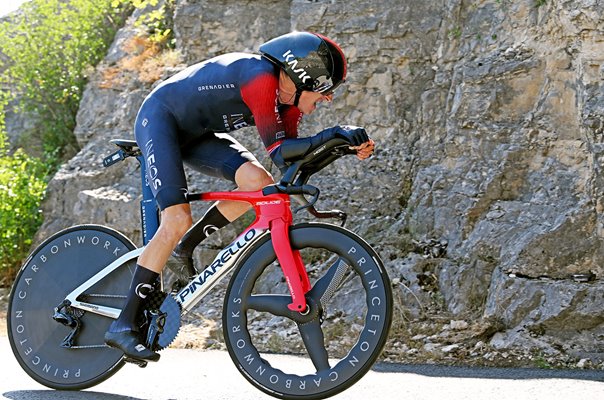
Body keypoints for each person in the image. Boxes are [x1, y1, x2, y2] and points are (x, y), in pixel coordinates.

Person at [104, 31, 375, 361]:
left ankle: (184, 248)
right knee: (176, 217)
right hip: (161, 119)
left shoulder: (288, 104)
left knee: (257, 182)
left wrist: (341, 147)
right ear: (304, 77)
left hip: (198, 134)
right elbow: (284, 149)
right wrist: (333, 134)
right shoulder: (260, 78)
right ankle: (123, 324)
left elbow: (286, 162)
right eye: (325, 90)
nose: (328, 99)